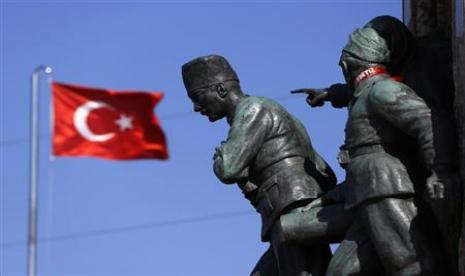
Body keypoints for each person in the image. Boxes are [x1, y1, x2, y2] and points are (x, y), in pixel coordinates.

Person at [292, 15, 460, 274]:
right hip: (366, 194)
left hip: (386, 188)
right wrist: (330, 94)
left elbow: (426, 121)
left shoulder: (382, 90)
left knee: (414, 266)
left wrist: (441, 169)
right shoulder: (369, 91)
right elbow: (355, 92)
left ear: (348, 66)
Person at [182, 55, 347, 276]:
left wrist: (222, 155)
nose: (195, 107)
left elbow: (228, 169)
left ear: (221, 89)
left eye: (197, 97)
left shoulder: (253, 109)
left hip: (291, 204)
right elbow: (324, 170)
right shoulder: (264, 109)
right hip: (289, 204)